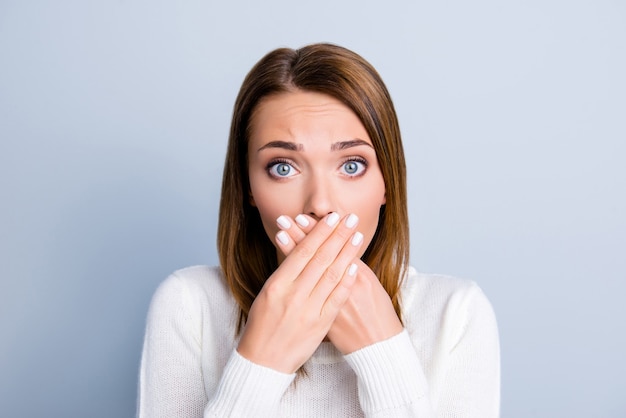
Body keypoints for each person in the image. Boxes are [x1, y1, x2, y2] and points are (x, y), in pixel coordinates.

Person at [137, 43, 500, 418]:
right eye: (283, 167)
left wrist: (383, 352)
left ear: (387, 182)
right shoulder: (189, 305)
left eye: (352, 165)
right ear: (248, 187)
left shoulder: (455, 314)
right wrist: (261, 361)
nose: (321, 204)